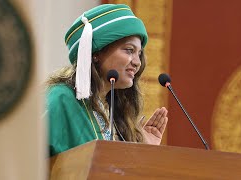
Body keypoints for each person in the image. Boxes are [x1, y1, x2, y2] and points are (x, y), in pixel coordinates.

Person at [46, 4, 168, 157]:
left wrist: (143, 150)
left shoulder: (115, 111)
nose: (137, 62)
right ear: (96, 53)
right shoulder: (61, 99)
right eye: (129, 50)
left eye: (139, 53)